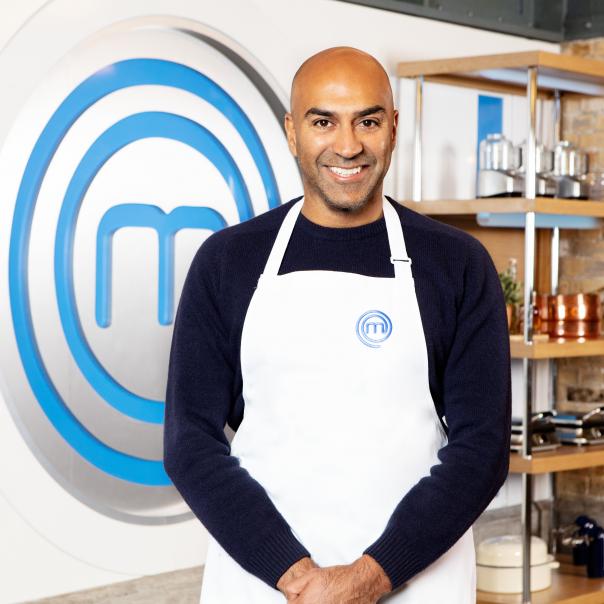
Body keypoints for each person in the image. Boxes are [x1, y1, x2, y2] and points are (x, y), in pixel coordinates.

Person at [163, 46, 511, 603]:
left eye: (367, 122)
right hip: (265, 586)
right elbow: (190, 444)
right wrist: (296, 576)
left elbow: (483, 449)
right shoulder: (227, 262)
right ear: (292, 132)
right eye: (323, 122)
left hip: (416, 582)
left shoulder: (456, 264)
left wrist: (370, 578)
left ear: (393, 127)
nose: (347, 146)